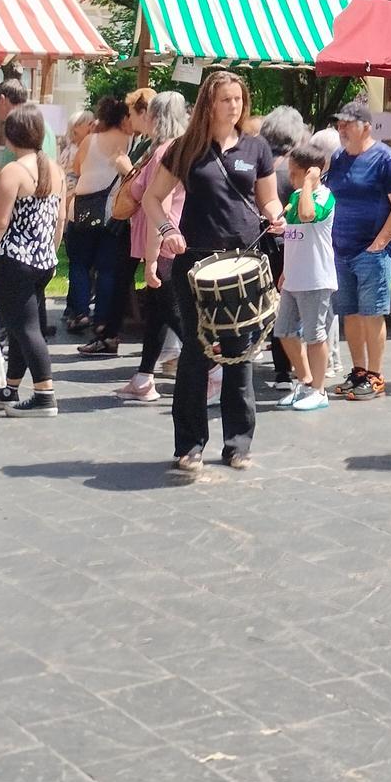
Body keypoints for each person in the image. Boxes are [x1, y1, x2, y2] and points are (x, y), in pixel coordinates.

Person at [139, 69, 283, 480]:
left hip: (244, 261)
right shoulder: (186, 148)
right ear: (209, 103)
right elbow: (152, 198)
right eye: (225, 99)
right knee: (197, 354)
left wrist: (275, 217)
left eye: (238, 99)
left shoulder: (257, 148)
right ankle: (189, 444)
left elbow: (268, 200)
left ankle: (238, 442)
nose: (233, 106)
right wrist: (168, 230)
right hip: (196, 264)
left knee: (241, 353)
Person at [0, 104, 66, 417]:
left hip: (15, 259)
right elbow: (60, 219)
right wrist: (49, 251)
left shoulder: (13, 171)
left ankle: (44, 393)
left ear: (9, 137)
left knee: (26, 329)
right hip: (43, 260)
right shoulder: (55, 169)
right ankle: (11, 387)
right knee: (20, 326)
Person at [324, 100, 391, 400]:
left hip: (371, 253)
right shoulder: (337, 158)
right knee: (350, 314)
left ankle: (375, 375)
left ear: (366, 127)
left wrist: (380, 244)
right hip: (341, 251)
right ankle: (358, 371)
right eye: (340, 123)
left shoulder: (384, 159)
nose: (341, 128)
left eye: (348, 123)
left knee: (373, 314)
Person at [120, 91, 189, 403]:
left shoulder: (163, 152)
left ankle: (213, 368)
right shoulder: (181, 148)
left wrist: (150, 257)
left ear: (156, 117)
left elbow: (154, 204)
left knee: (171, 310)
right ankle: (144, 376)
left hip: (162, 241)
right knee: (159, 311)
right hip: (174, 237)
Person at [274, 138, 336, 412]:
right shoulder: (297, 196)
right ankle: (306, 380)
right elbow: (295, 231)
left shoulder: (323, 196)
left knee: (314, 334)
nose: (290, 178)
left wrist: (311, 183)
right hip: (294, 277)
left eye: (295, 173)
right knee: (284, 331)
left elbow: (309, 216)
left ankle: (319, 390)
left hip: (315, 278)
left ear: (312, 172)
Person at [65, 95, 133, 341]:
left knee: (79, 264)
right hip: (112, 212)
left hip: (83, 209)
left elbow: (77, 168)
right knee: (107, 269)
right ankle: (102, 319)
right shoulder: (130, 141)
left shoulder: (90, 141)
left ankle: (80, 311)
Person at [257, 105, 310, 392]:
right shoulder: (293, 170)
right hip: (288, 245)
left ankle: (279, 368)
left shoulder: (260, 165)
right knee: (288, 307)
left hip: (260, 246)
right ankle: (287, 369)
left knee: (267, 306)